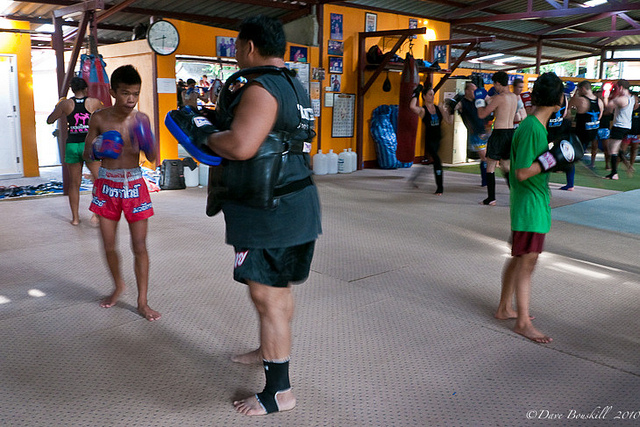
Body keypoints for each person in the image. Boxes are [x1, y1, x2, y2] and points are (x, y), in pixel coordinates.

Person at [165, 15, 321, 416]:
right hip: (296, 201)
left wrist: (199, 132)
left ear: (249, 46)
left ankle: (278, 393)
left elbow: (241, 145)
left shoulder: (259, 86)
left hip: (270, 211)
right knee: (277, 288)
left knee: (266, 294)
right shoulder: (293, 85)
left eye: (236, 47)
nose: (235, 55)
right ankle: (268, 350)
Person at [494, 71, 569, 344]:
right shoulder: (532, 128)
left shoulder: (534, 127)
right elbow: (522, 172)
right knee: (528, 261)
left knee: (519, 257)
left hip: (530, 204)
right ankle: (523, 322)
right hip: (530, 206)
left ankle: (504, 308)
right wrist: (551, 160)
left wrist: (551, 159)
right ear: (559, 99)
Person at [82, 65, 160, 322]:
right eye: (125, 93)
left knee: (139, 245)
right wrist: (98, 148)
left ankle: (142, 300)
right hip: (107, 186)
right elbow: (86, 155)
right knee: (108, 243)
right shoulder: (99, 118)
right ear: (113, 91)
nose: (131, 99)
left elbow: (153, 158)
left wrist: (148, 142)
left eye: (135, 94)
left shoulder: (142, 120)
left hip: (135, 185)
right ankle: (118, 286)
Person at [46, 76, 103, 225]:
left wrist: (58, 107)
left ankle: (76, 219)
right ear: (85, 89)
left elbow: (50, 120)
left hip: (72, 145)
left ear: (72, 89)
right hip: (88, 144)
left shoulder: (65, 104)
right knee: (98, 180)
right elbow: (106, 116)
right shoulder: (94, 102)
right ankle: (95, 215)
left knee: (74, 183)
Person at [476, 71, 519, 205]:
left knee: (491, 166)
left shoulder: (499, 98)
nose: (494, 87)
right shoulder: (513, 97)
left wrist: (479, 101)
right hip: (510, 133)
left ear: (499, 83)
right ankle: (516, 196)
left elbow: (482, 114)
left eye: (495, 84)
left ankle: (491, 198)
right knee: (506, 166)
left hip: (499, 133)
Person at [408, 84, 451, 194]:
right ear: (425, 97)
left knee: (431, 162)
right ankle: (440, 188)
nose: (432, 96)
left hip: (438, 139)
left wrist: (451, 109)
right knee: (437, 161)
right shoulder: (423, 110)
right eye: (430, 94)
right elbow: (412, 107)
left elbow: (449, 121)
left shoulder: (438, 108)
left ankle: (414, 179)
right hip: (429, 140)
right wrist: (416, 93)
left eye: (433, 94)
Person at [456, 81, 490, 186]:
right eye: (473, 90)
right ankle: (485, 181)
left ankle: (486, 180)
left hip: (485, 131)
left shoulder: (478, 101)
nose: (475, 92)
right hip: (475, 134)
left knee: (488, 157)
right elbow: (454, 107)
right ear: (467, 91)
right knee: (485, 158)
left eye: (476, 90)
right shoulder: (462, 103)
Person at [568, 81, 603, 170]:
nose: (578, 92)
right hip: (593, 130)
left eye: (579, 90)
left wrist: (574, 94)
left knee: (573, 149)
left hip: (581, 132)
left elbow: (568, 107)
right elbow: (599, 117)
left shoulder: (581, 100)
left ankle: (571, 166)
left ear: (583, 89)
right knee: (592, 146)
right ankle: (591, 163)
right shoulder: (599, 101)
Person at [603, 79, 634, 180]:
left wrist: (606, 96)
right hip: (626, 126)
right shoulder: (632, 98)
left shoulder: (621, 99)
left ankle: (614, 173)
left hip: (619, 126)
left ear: (620, 87)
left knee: (612, 150)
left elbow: (608, 107)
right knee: (615, 147)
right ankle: (627, 164)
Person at [618, 93, 639, 174]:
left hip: (636, 134)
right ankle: (618, 166)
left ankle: (630, 166)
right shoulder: (626, 108)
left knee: (634, 149)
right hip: (626, 133)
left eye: (636, 100)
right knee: (621, 151)